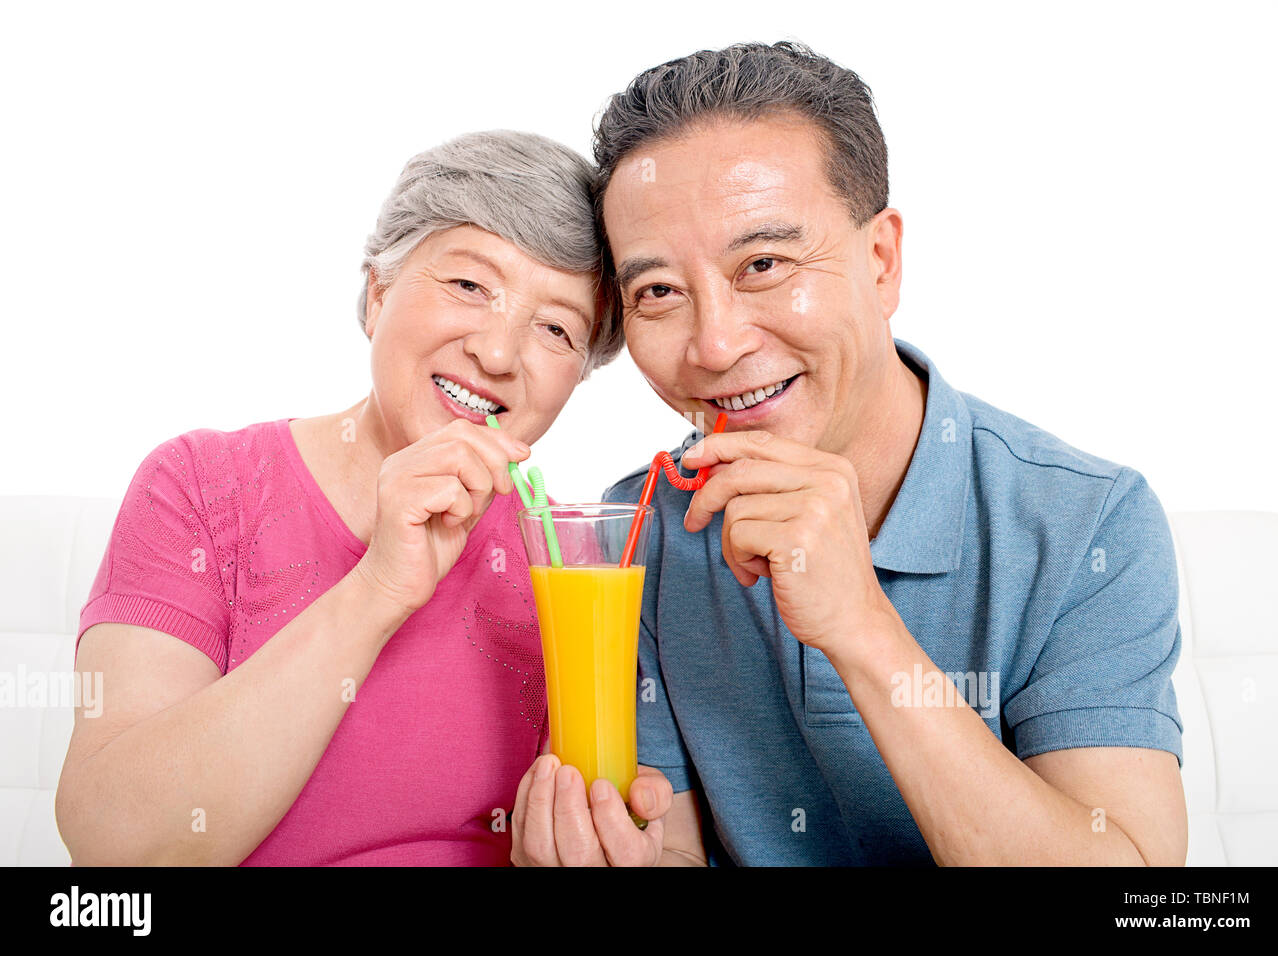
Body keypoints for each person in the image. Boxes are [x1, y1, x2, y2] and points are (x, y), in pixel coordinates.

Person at [511, 42, 1187, 866]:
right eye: (658, 292)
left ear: (881, 261)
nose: (715, 344)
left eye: (763, 264)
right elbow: (674, 847)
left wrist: (861, 627)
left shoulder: (1086, 523)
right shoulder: (641, 533)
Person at [56, 130, 628, 865]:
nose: (496, 354)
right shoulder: (198, 487)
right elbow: (115, 848)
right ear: (378, 292)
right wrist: (378, 587)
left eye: (555, 328)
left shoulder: (569, 563)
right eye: (469, 286)